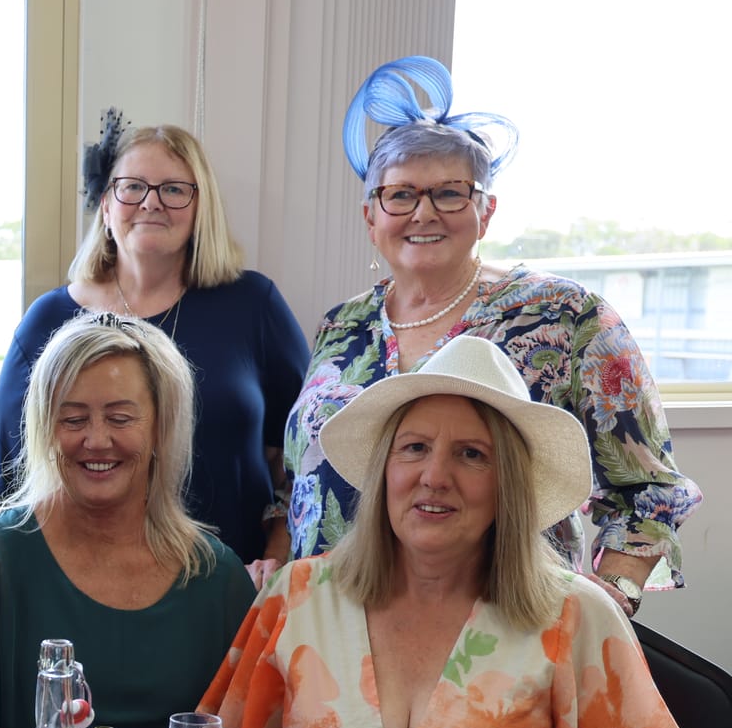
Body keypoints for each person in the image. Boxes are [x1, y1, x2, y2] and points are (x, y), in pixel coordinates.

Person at [209, 335, 693, 728]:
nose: (434, 477)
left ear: (508, 485)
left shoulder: (578, 616)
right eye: (414, 448)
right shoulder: (299, 594)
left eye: (471, 454)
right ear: (386, 467)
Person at [285, 55, 698, 619]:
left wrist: (608, 601)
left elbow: (650, 491)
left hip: (502, 633)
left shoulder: (566, 315)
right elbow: (302, 479)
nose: (422, 212)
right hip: (333, 622)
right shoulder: (341, 326)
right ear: (370, 216)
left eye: (449, 193)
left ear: (486, 211)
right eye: (400, 194)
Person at [0, 313, 255, 728]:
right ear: (45, 426)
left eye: (121, 418)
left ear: (160, 429)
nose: (97, 440)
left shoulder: (219, 578)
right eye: (73, 418)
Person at [0, 122, 308, 570]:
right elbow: (5, 490)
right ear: (105, 206)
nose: (151, 202)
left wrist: (276, 559)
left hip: (232, 594)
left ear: (200, 208)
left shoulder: (254, 306)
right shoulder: (47, 323)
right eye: (132, 187)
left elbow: (302, 462)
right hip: (78, 593)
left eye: (174, 189)